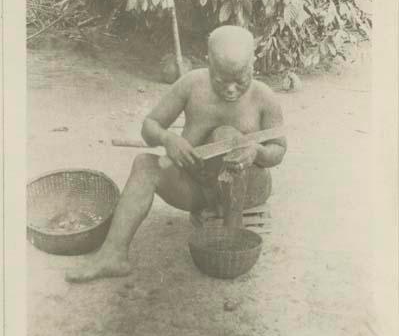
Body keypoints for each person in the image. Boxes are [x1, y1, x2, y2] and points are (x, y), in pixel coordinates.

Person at [66, 25, 287, 283]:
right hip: (198, 188)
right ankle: (112, 255)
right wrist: (167, 138)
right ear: (209, 63)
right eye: (221, 80)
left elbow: (278, 149)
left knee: (225, 135)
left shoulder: (264, 97)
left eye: (239, 81)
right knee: (144, 165)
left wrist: (256, 151)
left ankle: (232, 232)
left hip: (246, 189)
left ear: (253, 65)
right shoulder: (192, 84)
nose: (230, 89)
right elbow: (150, 126)